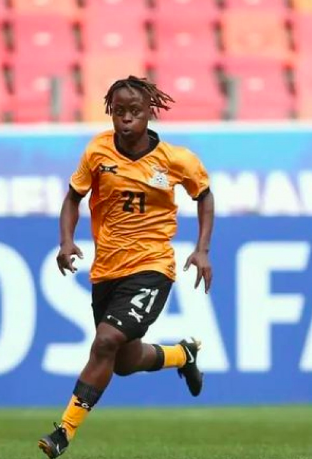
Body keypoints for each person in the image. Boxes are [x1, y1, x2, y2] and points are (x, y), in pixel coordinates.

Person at [38, 75, 215, 458]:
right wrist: (66, 241)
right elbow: (73, 198)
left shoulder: (176, 160)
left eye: (134, 110)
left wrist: (202, 250)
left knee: (105, 342)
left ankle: (63, 432)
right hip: (106, 270)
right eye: (119, 111)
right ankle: (182, 355)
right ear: (111, 112)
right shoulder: (98, 152)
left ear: (150, 112)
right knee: (123, 361)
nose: (126, 118)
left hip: (152, 266)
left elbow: (204, 195)